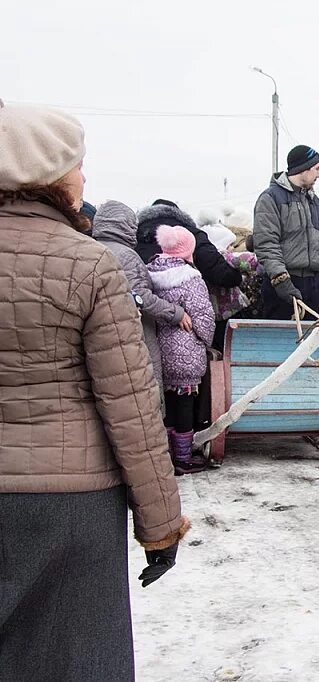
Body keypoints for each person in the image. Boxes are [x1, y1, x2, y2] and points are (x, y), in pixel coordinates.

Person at [0, 101, 188, 680]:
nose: (84, 177)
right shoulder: (90, 265)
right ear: (51, 174)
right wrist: (159, 524)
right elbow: (131, 405)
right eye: (77, 166)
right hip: (72, 507)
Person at [92, 200, 189, 393]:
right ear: (125, 225)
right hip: (134, 330)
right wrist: (175, 313)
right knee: (146, 384)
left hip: (102, 330)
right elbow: (139, 295)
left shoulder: (91, 248)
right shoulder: (125, 255)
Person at [148, 225, 216, 475]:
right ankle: (183, 459)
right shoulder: (190, 278)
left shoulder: (150, 273)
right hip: (185, 351)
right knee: (185, 404)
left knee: (166, 406)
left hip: (158, 349)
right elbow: (204, 317)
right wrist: (207, 341)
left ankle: (166, 455)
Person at [254, 144, 319, 320]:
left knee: (318, 341)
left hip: (314, 284)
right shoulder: (270, 198)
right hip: (285, 285)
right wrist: (281, 281)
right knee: (283, 343)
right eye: (317, 169)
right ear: (304, 168)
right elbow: (266, 244)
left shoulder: (315, 202)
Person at [136, 199, 243, 289]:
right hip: (186, 302)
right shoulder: (191, 233)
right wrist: (235, 278)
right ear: (178, 214)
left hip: (145, 305)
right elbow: (211, 263)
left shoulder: (134, 237)